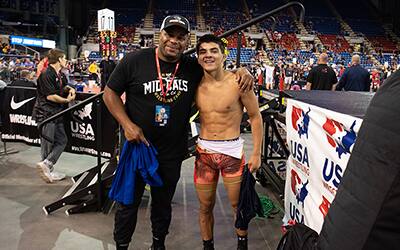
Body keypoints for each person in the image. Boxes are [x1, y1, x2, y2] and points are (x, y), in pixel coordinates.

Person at [102, 15, 253, 250]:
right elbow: (109, 93)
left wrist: (242, 71)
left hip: (171, 152)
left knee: (163, 204)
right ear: (159, 35)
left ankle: (158, 244)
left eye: (180, 37)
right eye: (169, 35)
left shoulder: (192, 67)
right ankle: (122, 246)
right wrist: (127, 125)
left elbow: (218, 72)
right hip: (138, 147)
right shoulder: (135, 60)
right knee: (128, 203)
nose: (174, 41)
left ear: (186, 41)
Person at [194, 34, 263, 250]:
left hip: (232, 153)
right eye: (203, 51)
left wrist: (257, 153)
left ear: (223, 55)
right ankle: (208, 246)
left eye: (213, 50)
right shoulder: (194, 83)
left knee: (238, 206)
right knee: (205, 207)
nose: (208, 55)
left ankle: (242, 245)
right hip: (204, 153)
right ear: (197, 58)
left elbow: (255, 116)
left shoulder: (239, 82)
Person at [32, 49, 76, 183]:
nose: (66, 61)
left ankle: (48, 165)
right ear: (58, 60)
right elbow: (51, 96)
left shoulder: (60, 74)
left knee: (62, 140)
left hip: (57, 113)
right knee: (47, 144)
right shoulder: (46, 74)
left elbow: (63, 87)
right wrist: (67, 101)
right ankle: (47, 172)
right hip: (45, 114)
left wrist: (70, 89)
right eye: (64, 58)